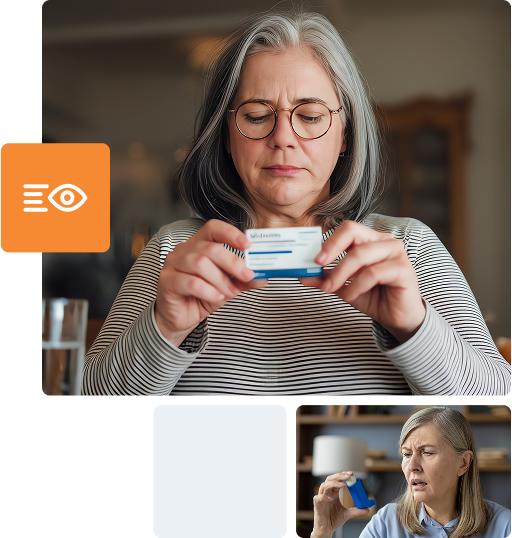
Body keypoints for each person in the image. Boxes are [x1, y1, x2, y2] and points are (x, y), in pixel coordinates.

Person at [82, 8, 512, 396]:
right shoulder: (173, 251)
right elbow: (87, 398)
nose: (283, 138)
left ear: (345, 135)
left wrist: (413, 325)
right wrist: (163, 328)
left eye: (309, 116)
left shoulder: (408, 248)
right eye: (256, 115)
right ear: (227, 138)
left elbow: (497, 399)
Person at [312, 407, 511, 538]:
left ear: (464, 462)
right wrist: (323, 532)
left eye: (427, 452)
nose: (412, 465)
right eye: (406, 454)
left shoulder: (505, 526)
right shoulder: (386, 523)